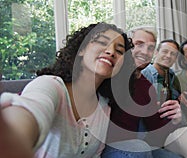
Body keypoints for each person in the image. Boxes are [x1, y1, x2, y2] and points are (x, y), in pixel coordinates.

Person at [0, 22, 133, 157]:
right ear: (81, 49)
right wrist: (14, 136)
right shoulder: (51, 85)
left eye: (119, 51)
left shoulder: (105, 107)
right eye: (102, 42)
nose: (111, 52)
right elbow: (29, 111)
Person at [102, 28, 182, 158]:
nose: (145, 52)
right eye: (139, 44)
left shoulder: (146, 87)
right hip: (106, 148)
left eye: (150, 48)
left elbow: (156, 132)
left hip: (134, 147)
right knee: (139, 149)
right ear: (127, 47)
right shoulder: (110, 73)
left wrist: (174, 119)